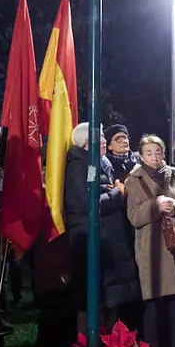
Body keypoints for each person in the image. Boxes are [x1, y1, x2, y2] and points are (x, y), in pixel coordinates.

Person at [126, 135, 175, 347]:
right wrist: (156, 205)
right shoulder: (134, 181)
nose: (154, 157)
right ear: (141, 155)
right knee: (154, 308)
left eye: (158, 151)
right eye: (149, 152)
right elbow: (134, 216)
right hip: (152, 252)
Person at [64, 123, 140, 333]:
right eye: (100, 138)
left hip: (106, 239)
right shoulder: (81, 165)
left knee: (109, 298)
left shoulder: (95, 163)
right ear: (85, 143)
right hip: (93, 238)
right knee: (94, 298)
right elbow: (86, 203)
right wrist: (117, 193)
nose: (105, 141)